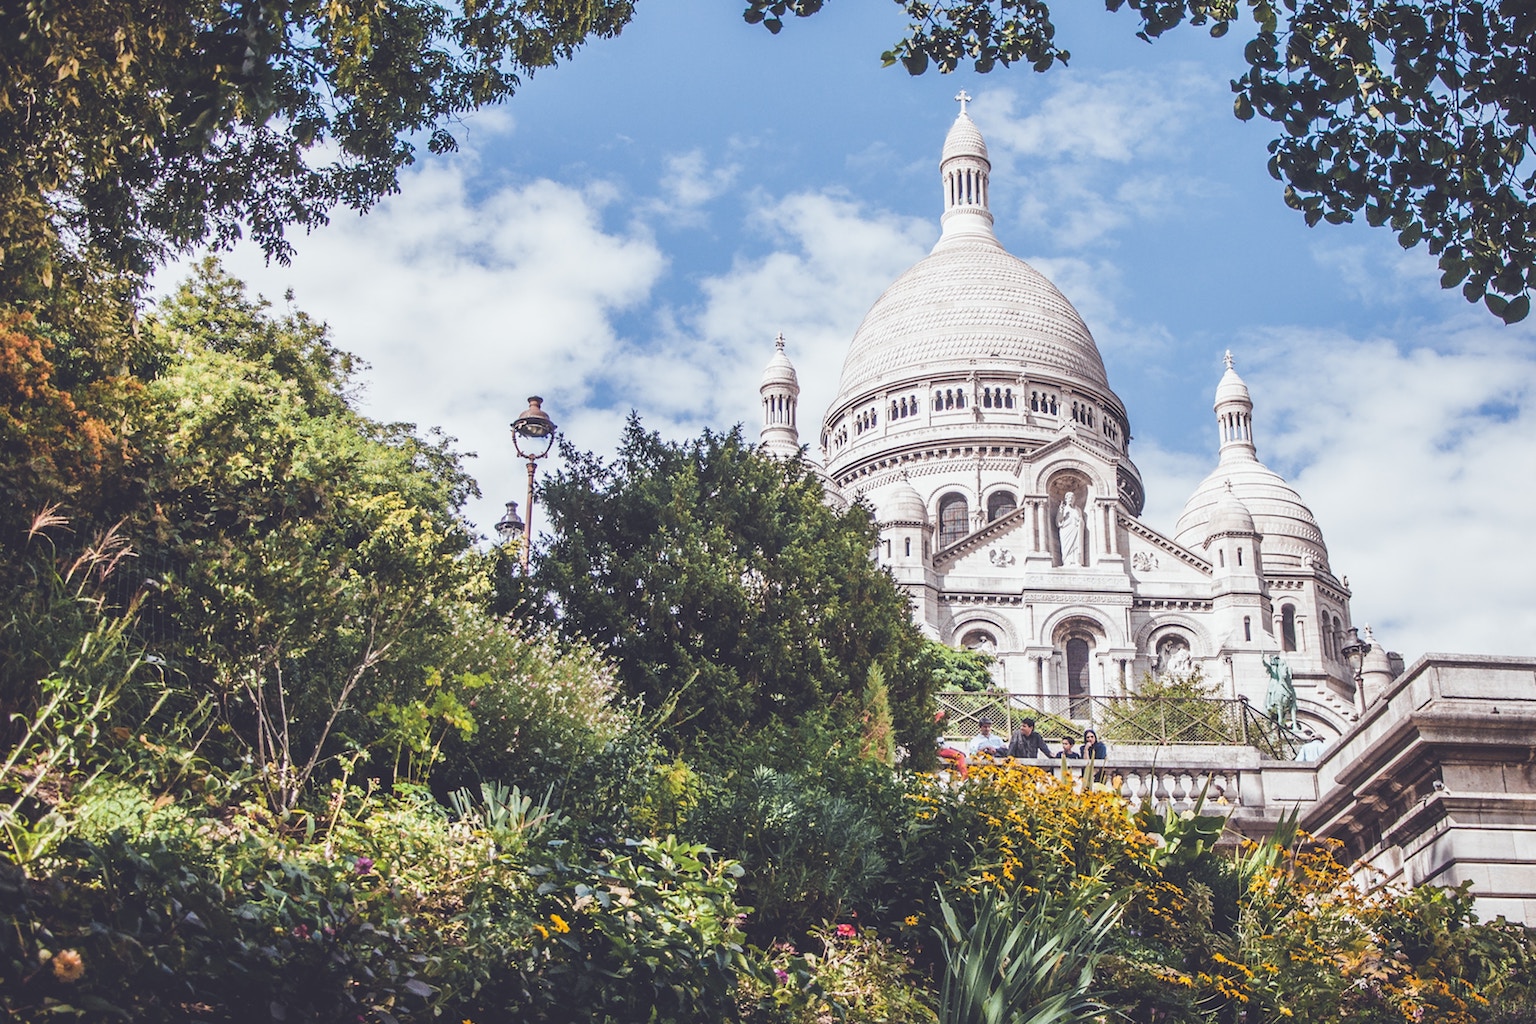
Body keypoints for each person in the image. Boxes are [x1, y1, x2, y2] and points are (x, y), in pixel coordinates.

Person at [1057, 491, 1084, 567]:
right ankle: (1067, 561)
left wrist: (1080, 522)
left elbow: (1081, 519)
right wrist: (1061, 512)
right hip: (1066, 530)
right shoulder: (1063, 509)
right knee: (1067, 547)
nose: (1070, 499)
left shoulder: (1078, 510)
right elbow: (1058, 522)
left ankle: (1076, 561)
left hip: (1076, 530)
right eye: (1069, 498)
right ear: (1066, 499)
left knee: (1076, 546)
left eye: (1072, 498)